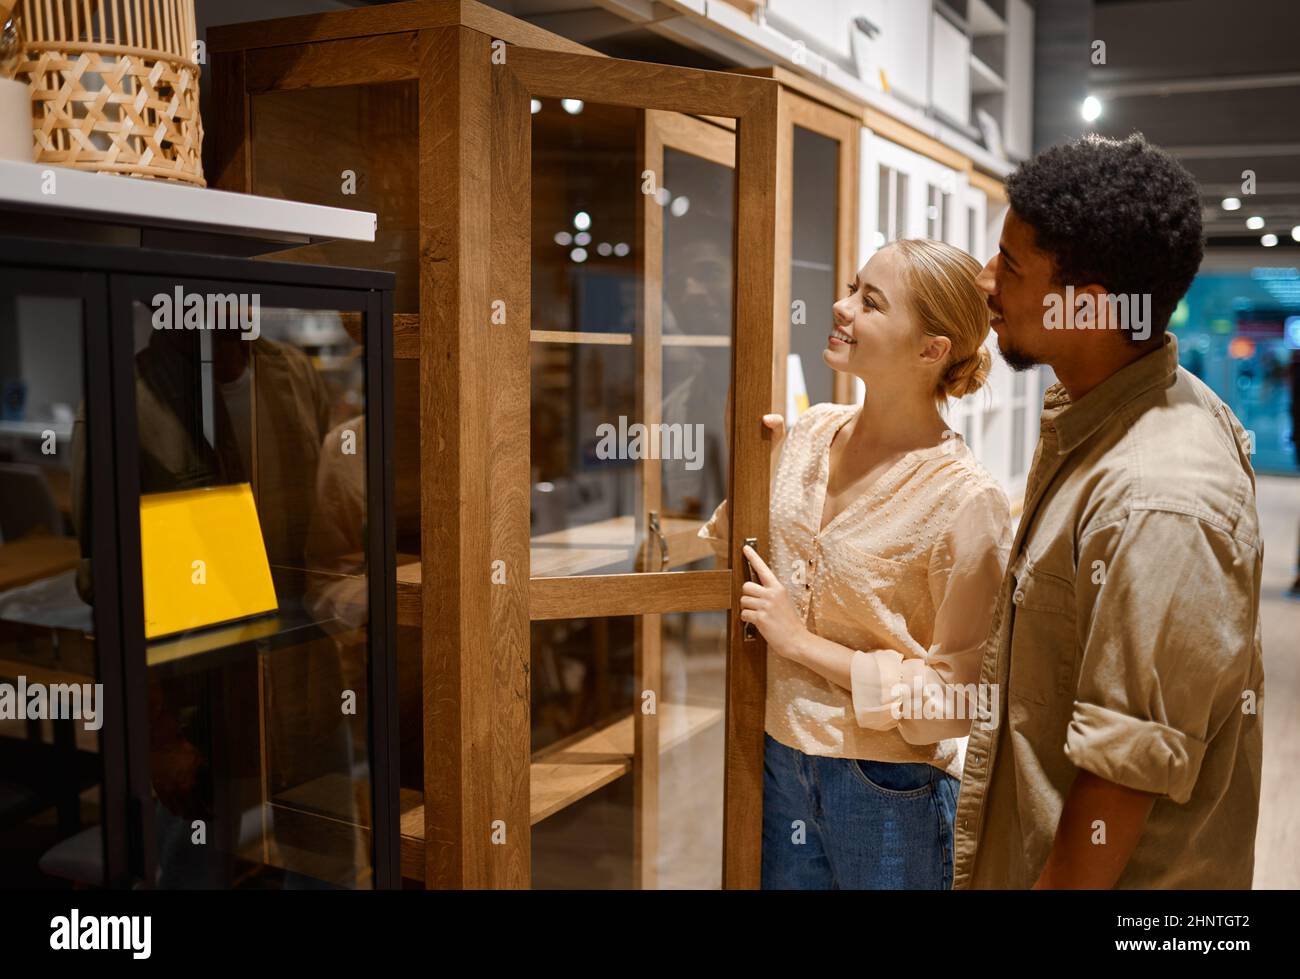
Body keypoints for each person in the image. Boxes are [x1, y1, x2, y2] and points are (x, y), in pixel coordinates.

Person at [958, 132, 1264, 889]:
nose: (984, 279)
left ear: (1086, 306)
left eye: (1012, 266)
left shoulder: (1160, 500)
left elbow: (1116, 785)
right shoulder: (1102, 408)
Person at [701, 238, 1011, 889]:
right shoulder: (810, 434)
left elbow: (959, 698)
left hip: (887, 785)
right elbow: (736, 544)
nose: (841, 307)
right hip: (775, 755)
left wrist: (801, 643)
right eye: (850, 287)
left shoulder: (965, 497)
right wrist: (751, 456)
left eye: (870, 301)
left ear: (932, 349)